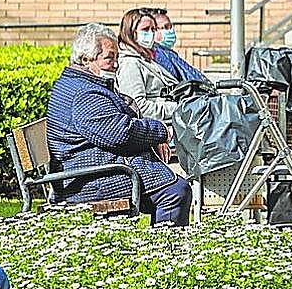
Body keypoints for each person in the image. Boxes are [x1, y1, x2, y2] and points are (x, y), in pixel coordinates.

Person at [47, 22, 193, 226]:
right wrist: (161, 132)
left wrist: (149, 137)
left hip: (99, 165)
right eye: (109, 58)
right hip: (88, 179)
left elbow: (122, 116)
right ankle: (165, 252)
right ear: (87, 58)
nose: (116, 64)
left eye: (116, 57)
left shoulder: (83, 82)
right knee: (175, 192)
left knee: (173, 185)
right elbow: (121, 133)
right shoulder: (84, 94)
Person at [116, 8, 181, 121]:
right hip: (161, 127)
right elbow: (138, 108)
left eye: (153, 29)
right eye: (145, 29)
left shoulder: (146, 57)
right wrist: (178, 108)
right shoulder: (130, 63)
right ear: (131, 32)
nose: (150, 34)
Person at [150, 8, 208, 84]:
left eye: (169, 26)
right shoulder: (159, 54)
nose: (169, 31)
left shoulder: (168, 53)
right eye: (164, 28)